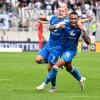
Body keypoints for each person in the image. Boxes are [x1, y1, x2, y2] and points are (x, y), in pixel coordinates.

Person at [36, 11, 91, 92]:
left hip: (70, 51)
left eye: (75, 19)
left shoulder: (80, 28)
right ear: (69, 19)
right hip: (62, 50)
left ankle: (44, 84)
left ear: (77, 19)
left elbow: (88, 42)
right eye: (71, 19)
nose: (73, 20)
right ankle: (80, 79)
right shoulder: (65, 23)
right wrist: (58, 26)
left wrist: (83, 30)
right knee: (69, 68)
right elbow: (50, 28)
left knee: (56, 66)